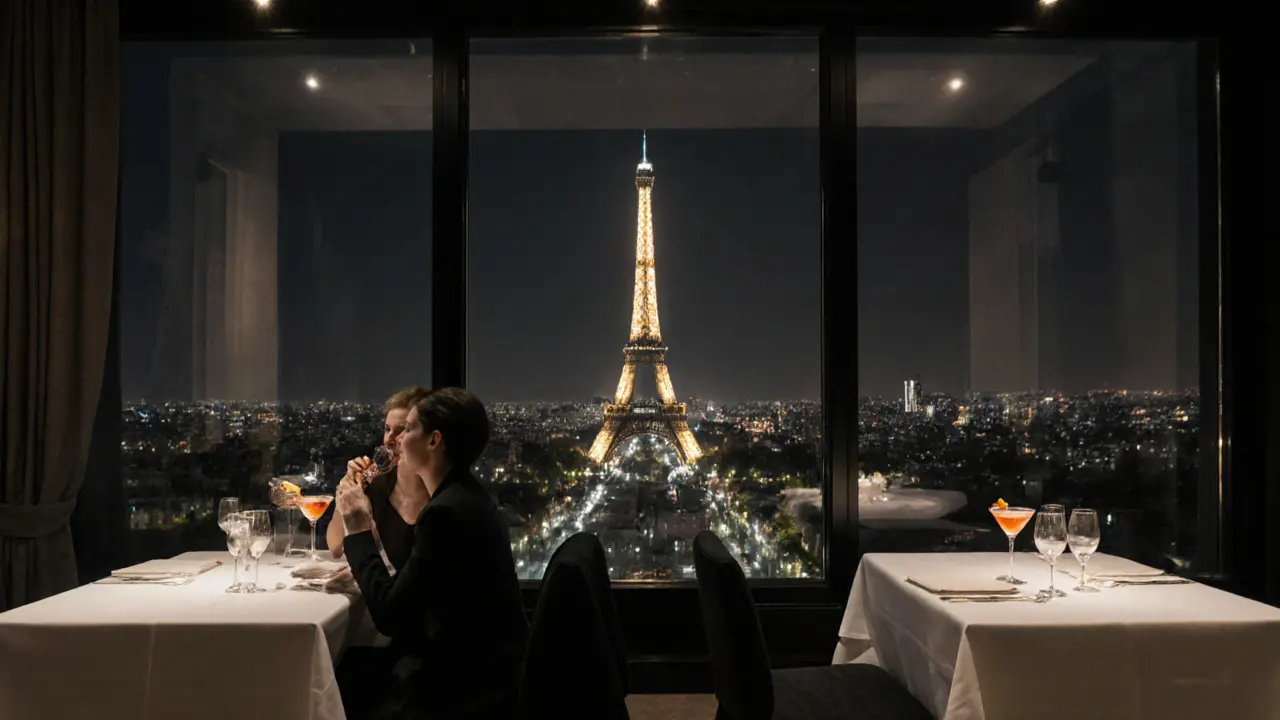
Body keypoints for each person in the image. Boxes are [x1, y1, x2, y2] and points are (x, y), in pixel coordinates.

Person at [336, 387, 528, 720]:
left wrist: (358, 527)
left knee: (339, 679)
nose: (397, 440)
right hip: (485, 669)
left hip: (458, 686)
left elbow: (390, 616)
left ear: (434, 441)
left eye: (408, 429)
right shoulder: (465, 496)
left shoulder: (444, 515)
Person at [327, 386, 433, 571]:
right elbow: (337, 549)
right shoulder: (376, 486)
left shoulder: (440, 496)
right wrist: (346, 494)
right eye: (387, 429)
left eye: (402, 430)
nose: (389, 440)